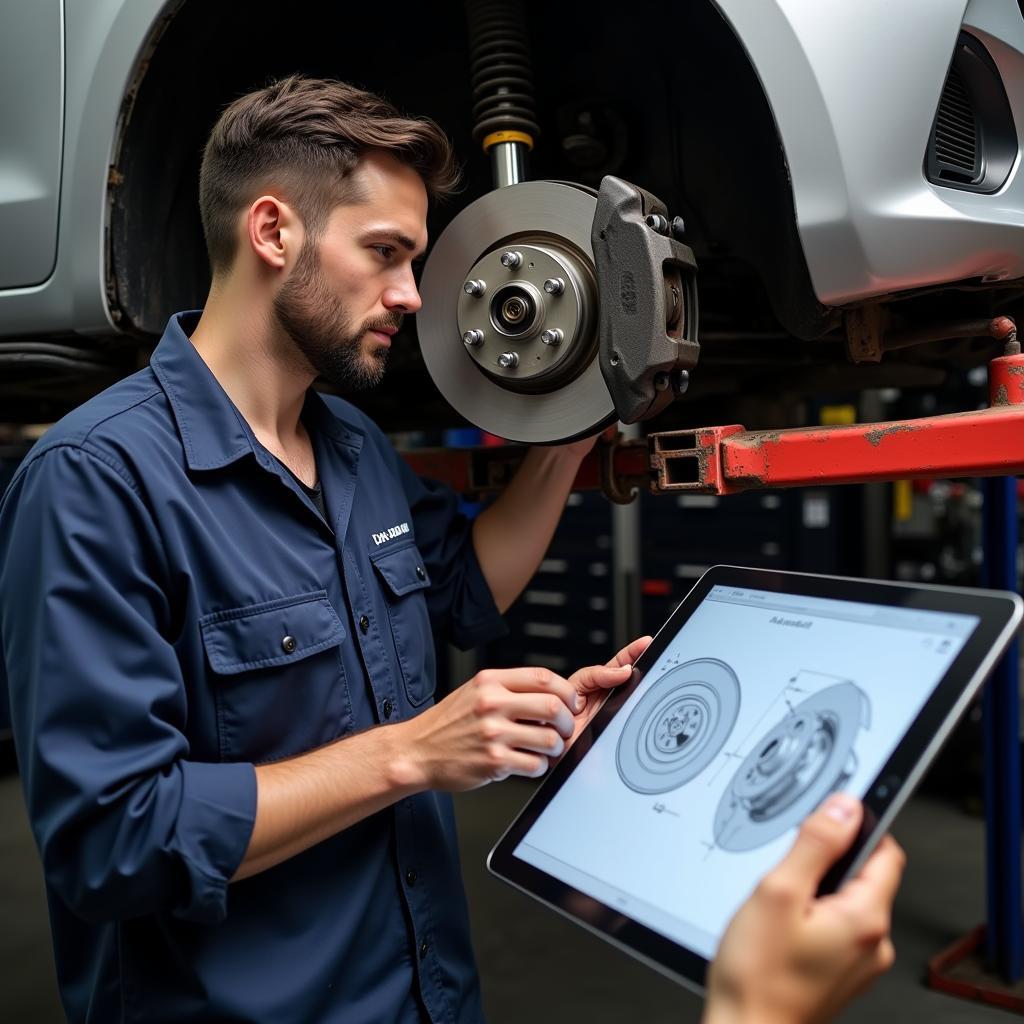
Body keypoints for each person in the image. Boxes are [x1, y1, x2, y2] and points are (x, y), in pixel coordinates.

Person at [0, 75, 903, 1024]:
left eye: (420, 258)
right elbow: (113, 842)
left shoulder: (350, 444)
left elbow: (465, 588)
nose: (411, 295)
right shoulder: (95, 482)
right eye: (385, 253)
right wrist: (416, 753)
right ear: (272, 232)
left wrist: (568, 434)